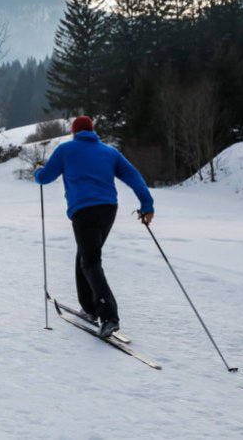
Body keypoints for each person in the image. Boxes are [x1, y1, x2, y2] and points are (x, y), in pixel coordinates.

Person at [34, 116, 154, 338]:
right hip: (108, 210)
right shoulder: (109, 152)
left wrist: (38, 172)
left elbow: (45, 177)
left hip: (83, 211)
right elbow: (133, 176)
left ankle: (109, 317)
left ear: (74, 132)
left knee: (90, 261)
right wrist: (147, 205)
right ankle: (90, 308)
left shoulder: (66, 149)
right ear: (92, 132)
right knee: (85, 257)